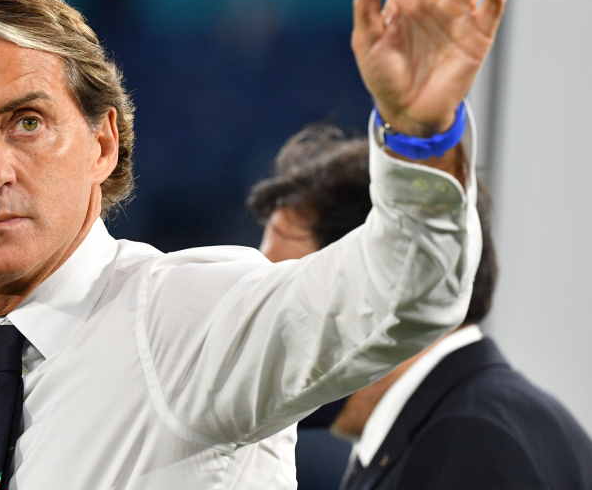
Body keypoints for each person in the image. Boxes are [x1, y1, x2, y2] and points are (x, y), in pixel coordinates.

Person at [0, 0, 506, 490]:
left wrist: (421, 134)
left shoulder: (191, 319)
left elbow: (408, 291)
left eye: (26, 123)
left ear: (103, 143)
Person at [248, 127, 592, 489]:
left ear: (390, 288)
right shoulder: (458, 424)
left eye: (287, 296)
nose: (264, 323)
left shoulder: (469, 443)